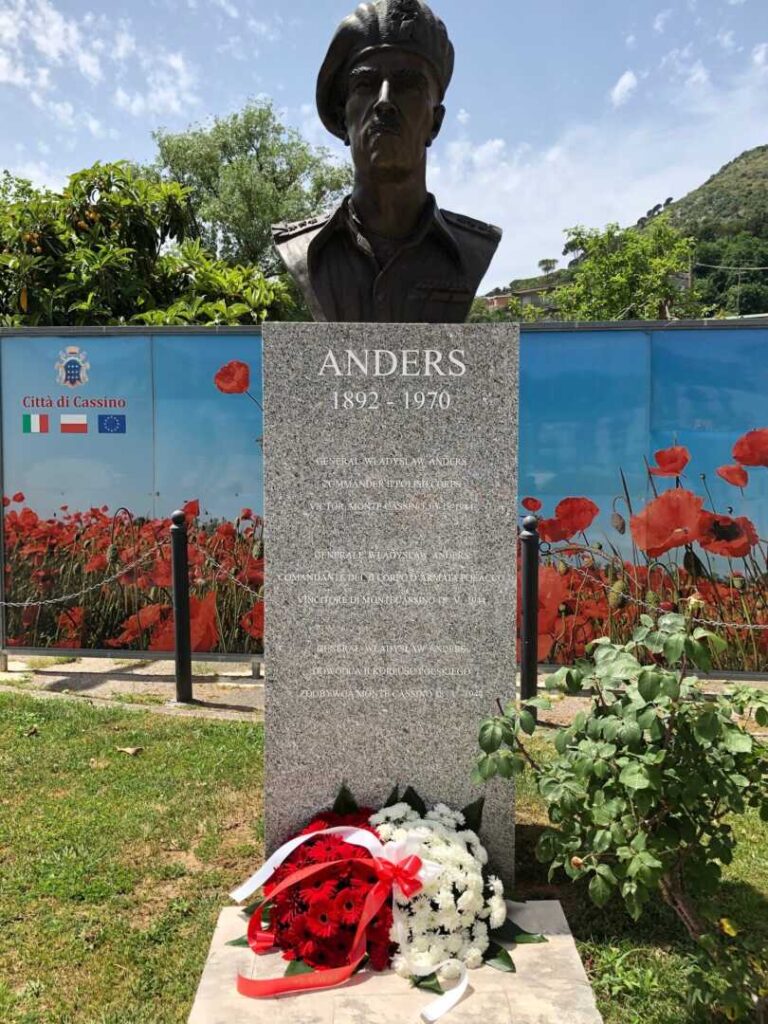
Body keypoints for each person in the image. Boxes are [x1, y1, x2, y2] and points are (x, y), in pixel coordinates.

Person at [273, 0, 501, 323]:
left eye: (408, 86)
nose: (384, 103)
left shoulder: (472, 251)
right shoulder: (303, 250)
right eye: (365, 85)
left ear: (435, 122)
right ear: (343, 119)